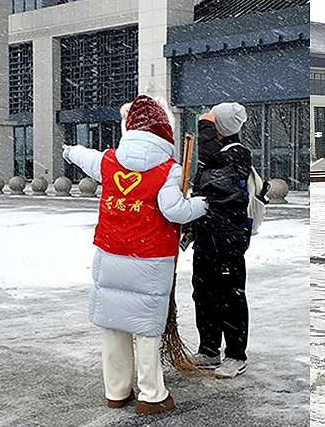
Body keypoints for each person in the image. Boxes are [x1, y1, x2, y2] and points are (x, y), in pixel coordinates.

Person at [62, 94, 207, 415]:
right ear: (163, 132)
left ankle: (116, 391)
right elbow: (176, 211)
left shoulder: (109, 160)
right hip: (150, 257)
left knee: (114, 326)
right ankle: (151, 395)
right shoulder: (168, 169)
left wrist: (69, 150)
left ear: (130, 129)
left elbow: (86, 157)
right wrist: (202, 204)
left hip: (111, 252)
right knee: (146, 329)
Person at [188, 102, 252, 378]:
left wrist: (205, 127)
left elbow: (214, 163)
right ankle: (209, 348)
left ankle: (236, 355)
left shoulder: (237, 154)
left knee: (230, 297)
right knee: (203, 295)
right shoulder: (214, 154)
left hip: (228, 241)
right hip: (205, 238)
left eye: (215, 123)